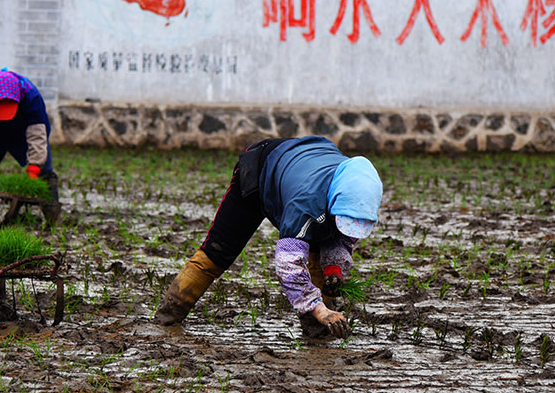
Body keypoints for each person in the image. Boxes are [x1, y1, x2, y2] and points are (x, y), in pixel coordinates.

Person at [154, 136, 383, 337]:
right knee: (218, 253)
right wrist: (320, 309)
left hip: (300, 169)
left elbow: (342, 236)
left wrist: (334, 270)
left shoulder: (358, 190)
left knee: (318, 248)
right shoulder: (306, 204)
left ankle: (318, 334)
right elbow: (288, 266)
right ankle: (168, 316)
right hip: (260, 172)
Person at [0, 69, 59, 216]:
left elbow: (37, 135)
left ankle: (52, 216)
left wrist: (34, 166)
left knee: (44, 172)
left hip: (22, 135)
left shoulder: (32, 98)